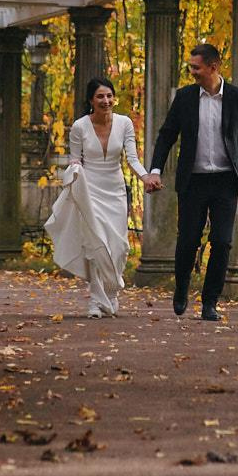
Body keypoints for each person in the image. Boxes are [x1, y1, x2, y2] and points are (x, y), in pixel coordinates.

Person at [144, 41, 238, 322]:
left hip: (225, 181)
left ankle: (210, 302)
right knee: (188, 241)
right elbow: (166, 135)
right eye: (190, 66)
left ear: (213, 67)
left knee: (222, 242)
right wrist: (155, 169)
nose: (191, 71)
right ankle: (181, 288)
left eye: (196, 67)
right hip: (193, 181)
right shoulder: (184, 98)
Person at [46, 77, 142, 317]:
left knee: (118, 246)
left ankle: (112, 293)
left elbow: (132, 159)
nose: (106, 101)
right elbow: (75, 159)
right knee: (94, 244)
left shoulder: (125, 123)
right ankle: (95, 301)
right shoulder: (80, 126)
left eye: (109, 96)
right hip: (90, 191)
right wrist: (74, 172)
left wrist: (146, 177)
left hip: (115, 190)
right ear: (91, 100)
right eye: (100, 96)